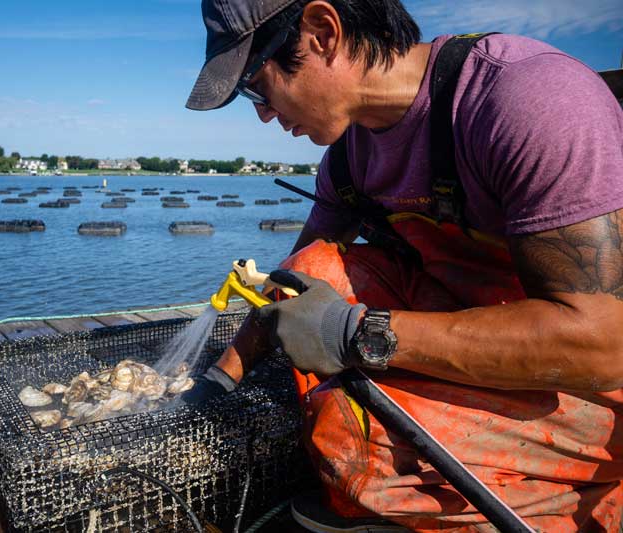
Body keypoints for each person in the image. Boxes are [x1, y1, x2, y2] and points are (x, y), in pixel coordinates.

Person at [184, 0, 623, 531]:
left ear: (323, 32)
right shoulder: (349, 156)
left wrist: (357, 333)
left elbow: (602, 344)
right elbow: (291, 289)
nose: (262, 113)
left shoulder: (529, 100)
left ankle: (588, 500)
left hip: (590, 381)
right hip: (469, 330)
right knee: (310, 271)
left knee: (351, 438)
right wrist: (214, 385)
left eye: (256, 84)